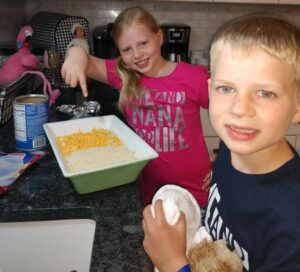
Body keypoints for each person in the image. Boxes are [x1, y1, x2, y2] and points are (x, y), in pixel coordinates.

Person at [142, 13, 300, 272]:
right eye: (226, 88)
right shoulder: (234, 147)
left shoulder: (291, 226)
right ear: (210, 88)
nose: (239, 109)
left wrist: (173, 264)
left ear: (297, 105)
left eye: (265, 93)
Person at [61, 7, 211, 214]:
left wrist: (226, 166)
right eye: (127, 49)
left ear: (159, 37)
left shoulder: (196, 77)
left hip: (195, 196)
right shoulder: (122, 75)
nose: (137, 55)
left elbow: (237, 119)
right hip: (150, 197)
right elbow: (82, 61)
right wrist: (75, 52)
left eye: (143, 43)